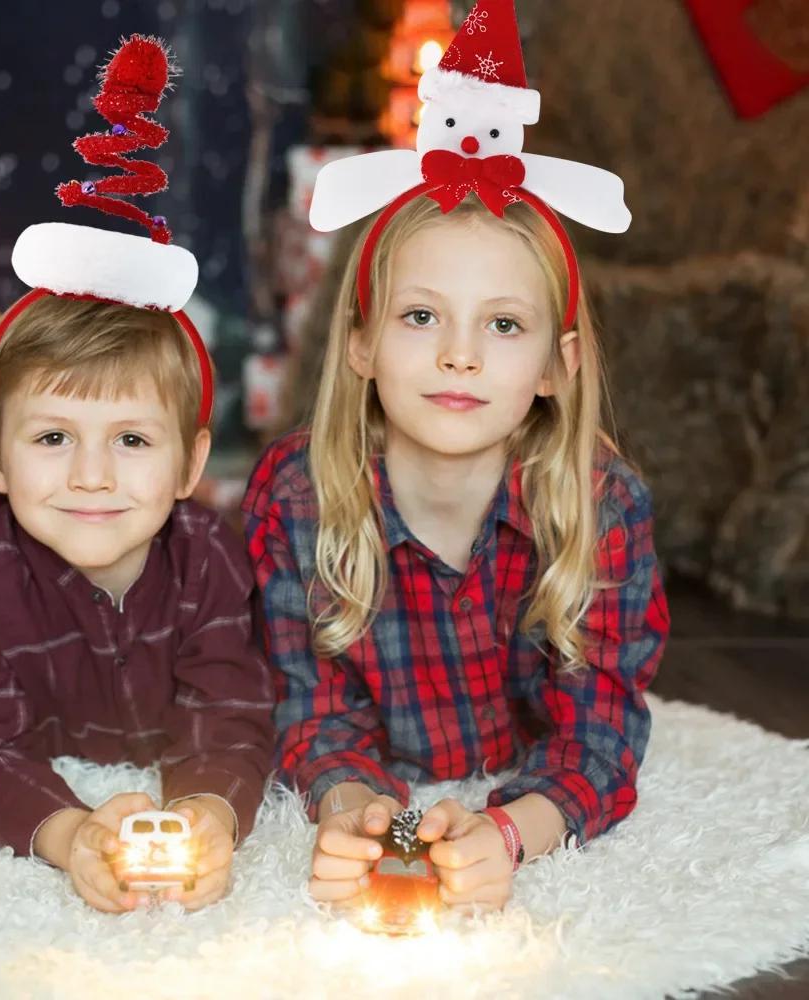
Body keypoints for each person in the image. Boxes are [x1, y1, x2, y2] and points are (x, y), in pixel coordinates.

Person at [242, 0, 669, 913]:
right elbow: (307, 706)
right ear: (359, 343)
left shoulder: (602, 504)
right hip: (375, 768)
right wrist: (353, 809)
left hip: (514, 782)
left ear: (557, 367)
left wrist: (514, 829)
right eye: (421, 315)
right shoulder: (298, 496)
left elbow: (600, 733)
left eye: (504, 325)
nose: (459, 355)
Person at [0, 32, 275, 915]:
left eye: (133, 442)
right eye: (53, 439)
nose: (93, 476)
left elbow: (234, 712)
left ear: (191, 464)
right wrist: (71, 833)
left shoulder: (210, 562)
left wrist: (206, 811)